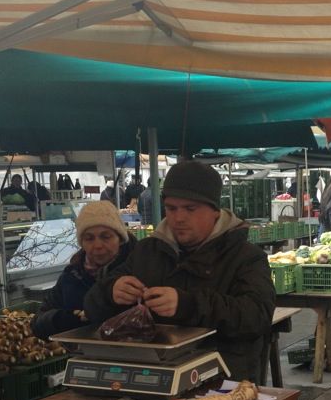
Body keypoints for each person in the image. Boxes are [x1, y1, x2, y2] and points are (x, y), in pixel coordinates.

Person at [84, 160, 275, 381]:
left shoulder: (246, 256)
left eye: (190, 209)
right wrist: (110, 292)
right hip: (151, 378)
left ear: (215, 210)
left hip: (221, 383)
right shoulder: (147, 251)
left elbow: (256, 316)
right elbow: (91, 305)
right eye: (171, 208)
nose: (179, 217)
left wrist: (189, 305)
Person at [31, 202, 136, 340]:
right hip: (84, 357)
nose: (97, 245)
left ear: (120, 238)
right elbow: (37, 323)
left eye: (106, 237)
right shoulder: (72, 276)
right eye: (89, 238)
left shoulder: (139, 268)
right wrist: (59, 320)